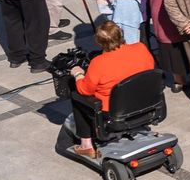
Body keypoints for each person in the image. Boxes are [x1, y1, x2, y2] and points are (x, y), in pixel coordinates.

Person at [66, 20, 154, 159]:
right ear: (120, 34)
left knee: (77, 95)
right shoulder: (141, 48)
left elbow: (85, 90)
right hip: (144, 102)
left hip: (113, 111)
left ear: (99, 42)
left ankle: (86, 145)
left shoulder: (98, 63)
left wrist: (78, 74)